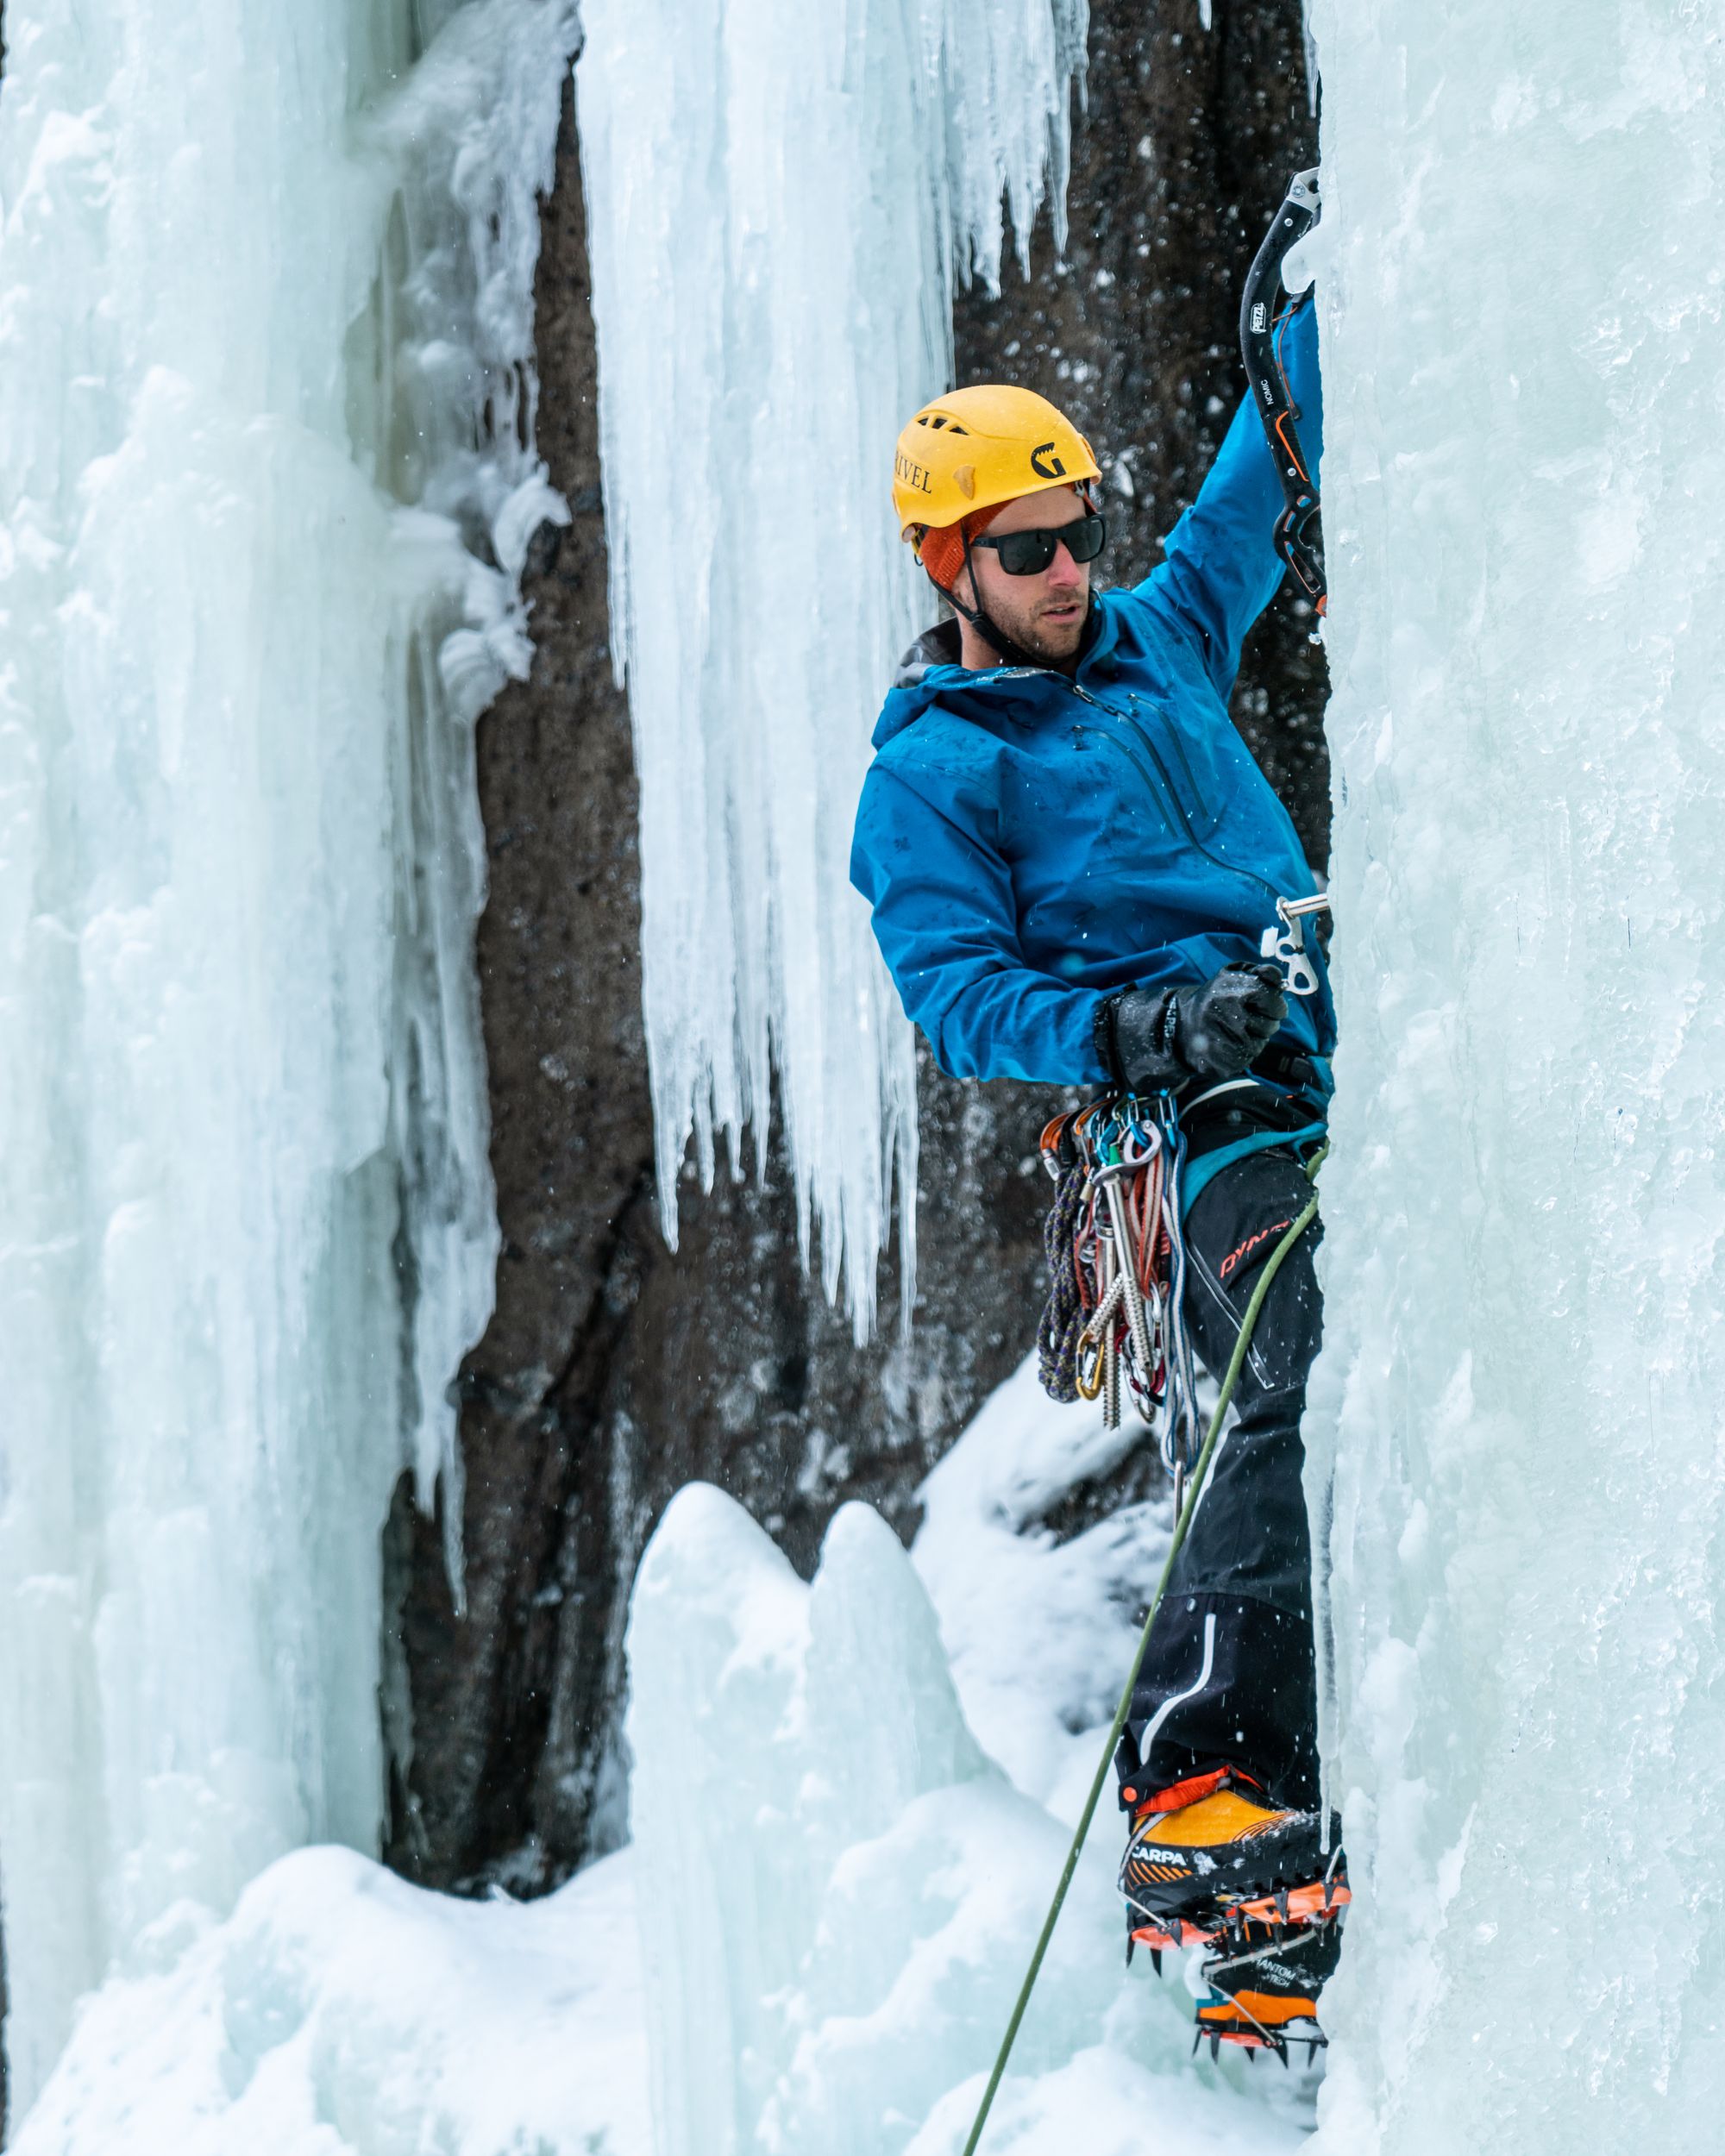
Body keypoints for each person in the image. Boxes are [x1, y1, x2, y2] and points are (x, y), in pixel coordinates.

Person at [850, 291, 1346, 2058]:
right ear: (946, 562)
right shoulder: (935, 775)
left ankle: (1325, 1765)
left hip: (1333, 1057)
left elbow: (1253, 499)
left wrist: (1314, 305)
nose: (1071, 570)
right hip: (1182, 1120)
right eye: (1028, 546)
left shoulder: (1152, 639)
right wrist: (1140, 1027)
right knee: (1279, 1365)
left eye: (1078, 535)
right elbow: (963, 998)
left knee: (1358, 1378)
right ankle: (1214, 1775)